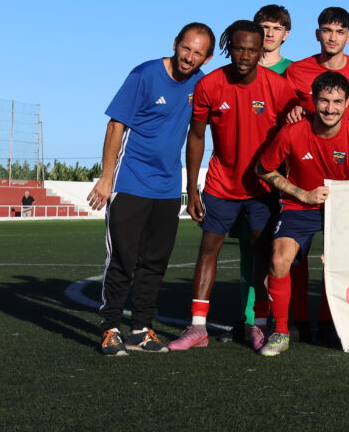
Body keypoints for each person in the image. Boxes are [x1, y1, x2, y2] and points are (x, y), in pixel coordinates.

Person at [87, 22, 214, 356]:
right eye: (186, 48)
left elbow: (201, 132)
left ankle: (141, 329)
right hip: (130, 182)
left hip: (167, 188)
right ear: (175, 43)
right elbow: (116, 125)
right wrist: (106, 176)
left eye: (198, 53)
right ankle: (110, 328)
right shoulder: (144, 74)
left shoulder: (201, 84)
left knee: (155, 262)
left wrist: (191, 186)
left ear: (207, 57)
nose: (189, 57)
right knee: (123, 259)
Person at [168, 20, 295, 352]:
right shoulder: (211, 84)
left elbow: (299, 126)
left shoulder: (278, 87)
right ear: (228, 48)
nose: (245, 55)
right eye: (239, 48)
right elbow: (195, 137)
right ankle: (197, 328)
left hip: (262, 190)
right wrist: (192, 188)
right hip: (220, 185)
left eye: (253, 49)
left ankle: (259, 325)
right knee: (208, 251)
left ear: (261, 50)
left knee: (261, 255)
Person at [255, 72, 349, 356]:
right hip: (299, 207)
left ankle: (339, 325)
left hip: (339, 209)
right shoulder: (292, 131)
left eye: (338, 102)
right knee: (279, 260)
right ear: (314, 101)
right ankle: (280, 332)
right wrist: (301, 194)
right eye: (325, 101)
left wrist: (340, 239)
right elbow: (263, 168)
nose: (331, 108)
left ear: (348, 103)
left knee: (343, 261)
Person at [286, 6, 349, 121]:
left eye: (340, 32)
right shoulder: (296, 70)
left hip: (348, 137)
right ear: (317, 34)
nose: (333, 38)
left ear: (348, 37)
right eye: (327, 30)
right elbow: (285, 111)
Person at [255, 4, 293, 74]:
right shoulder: (242, 68)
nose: (270, 34)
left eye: (277, 29)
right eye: (265, 27)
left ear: (285, 35)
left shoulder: (293, 69)